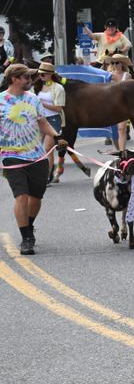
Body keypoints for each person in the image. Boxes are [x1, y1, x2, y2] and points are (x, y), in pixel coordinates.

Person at [2, 64, 67, 255]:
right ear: (15, 79)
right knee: (21, 196)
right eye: (27, 78)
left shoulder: (33, 99)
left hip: (37, 155)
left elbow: (42, 122)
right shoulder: (1, 100)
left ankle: (29, 226)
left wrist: (56, 137)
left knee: (36, 196)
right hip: (12, 156)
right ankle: (26, 239)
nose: (31, 81)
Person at [33, 62, 66, 182]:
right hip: (39, 119)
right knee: (36, 148)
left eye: (43, 75)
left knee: (48, 149)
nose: (41, 77)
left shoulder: (58, 88)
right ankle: (39, 174)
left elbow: (59, 108)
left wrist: (42, 103)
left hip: (53, 119)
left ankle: (48, 176)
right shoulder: (36, 86)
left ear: (50, 75)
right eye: (40, 74)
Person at [105, 54, 133, 153]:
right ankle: (118, 151)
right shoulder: (108, 75)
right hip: (112, 106)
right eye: (112, 63)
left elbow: (130, 91)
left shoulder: (127, 75)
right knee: (114, 132)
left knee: (122, 128)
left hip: (124, 106)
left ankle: (122, 151)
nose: (114, 65)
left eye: (117, 62)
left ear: (122, 64)